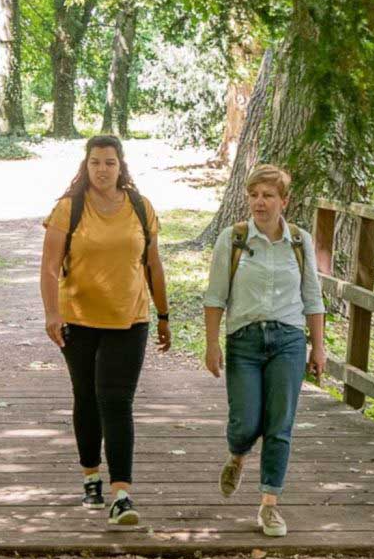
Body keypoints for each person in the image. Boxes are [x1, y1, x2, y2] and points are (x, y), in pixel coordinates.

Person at [40, 135, 171, 527]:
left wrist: (164, 315)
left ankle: (122, 495)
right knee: (87, 397)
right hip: (78, 319)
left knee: (116, 400)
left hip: (130, 319)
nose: (102, 169)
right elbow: (49, 267)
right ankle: (90, 476)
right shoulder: (68, 209)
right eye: (95, 162)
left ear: (121, 166)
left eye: (109, 162)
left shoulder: (139, 207)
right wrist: (51, 313)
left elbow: (154, 264)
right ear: (86, 165)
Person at [202, 164, 326, 538]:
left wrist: (317, 347)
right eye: (254, 194)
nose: (259, 202)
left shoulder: (300, 242)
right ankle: (238, 454)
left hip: (288, 340)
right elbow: (214, 296)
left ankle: (270, 504)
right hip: (244, 340)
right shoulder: (234, 238)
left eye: (268, 195)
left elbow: (313, 298)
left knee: (279, 423)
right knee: (246, 419)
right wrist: (211, 344)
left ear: (283, 202)